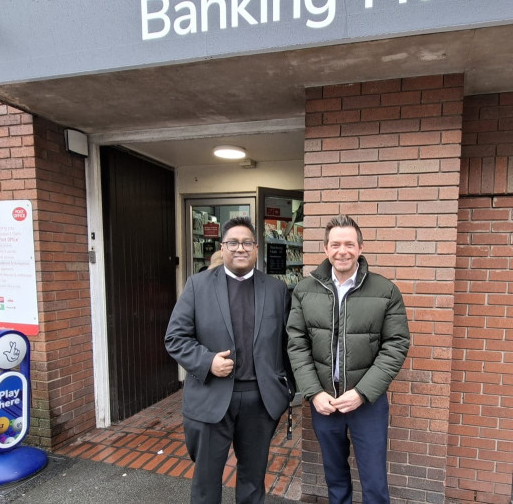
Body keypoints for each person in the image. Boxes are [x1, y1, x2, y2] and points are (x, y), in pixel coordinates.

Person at [165, 216, 294, 504]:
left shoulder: (276, 290)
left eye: (247, 242)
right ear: (222, 247)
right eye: (233, 242)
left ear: (256, 248)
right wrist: (207, 361)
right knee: (206, 483)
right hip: (211, 398)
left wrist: (287, 390)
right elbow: (175, 338)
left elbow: (288, 346)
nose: (240, 248)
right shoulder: (197, 286)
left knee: (252, 480)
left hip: (259, 401)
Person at [287, 215, 410, 504]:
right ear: (326, 249)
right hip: (324, 402)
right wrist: (313, 392)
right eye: (335, 244)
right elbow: (296, 344)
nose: (343, 251)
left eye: (349, 244)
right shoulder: (305, 290)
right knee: (335, 477)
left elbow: (396, 345)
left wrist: (362, 392)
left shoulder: (386, 291)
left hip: (367, 401)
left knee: (375, 480)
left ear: (361, 247)